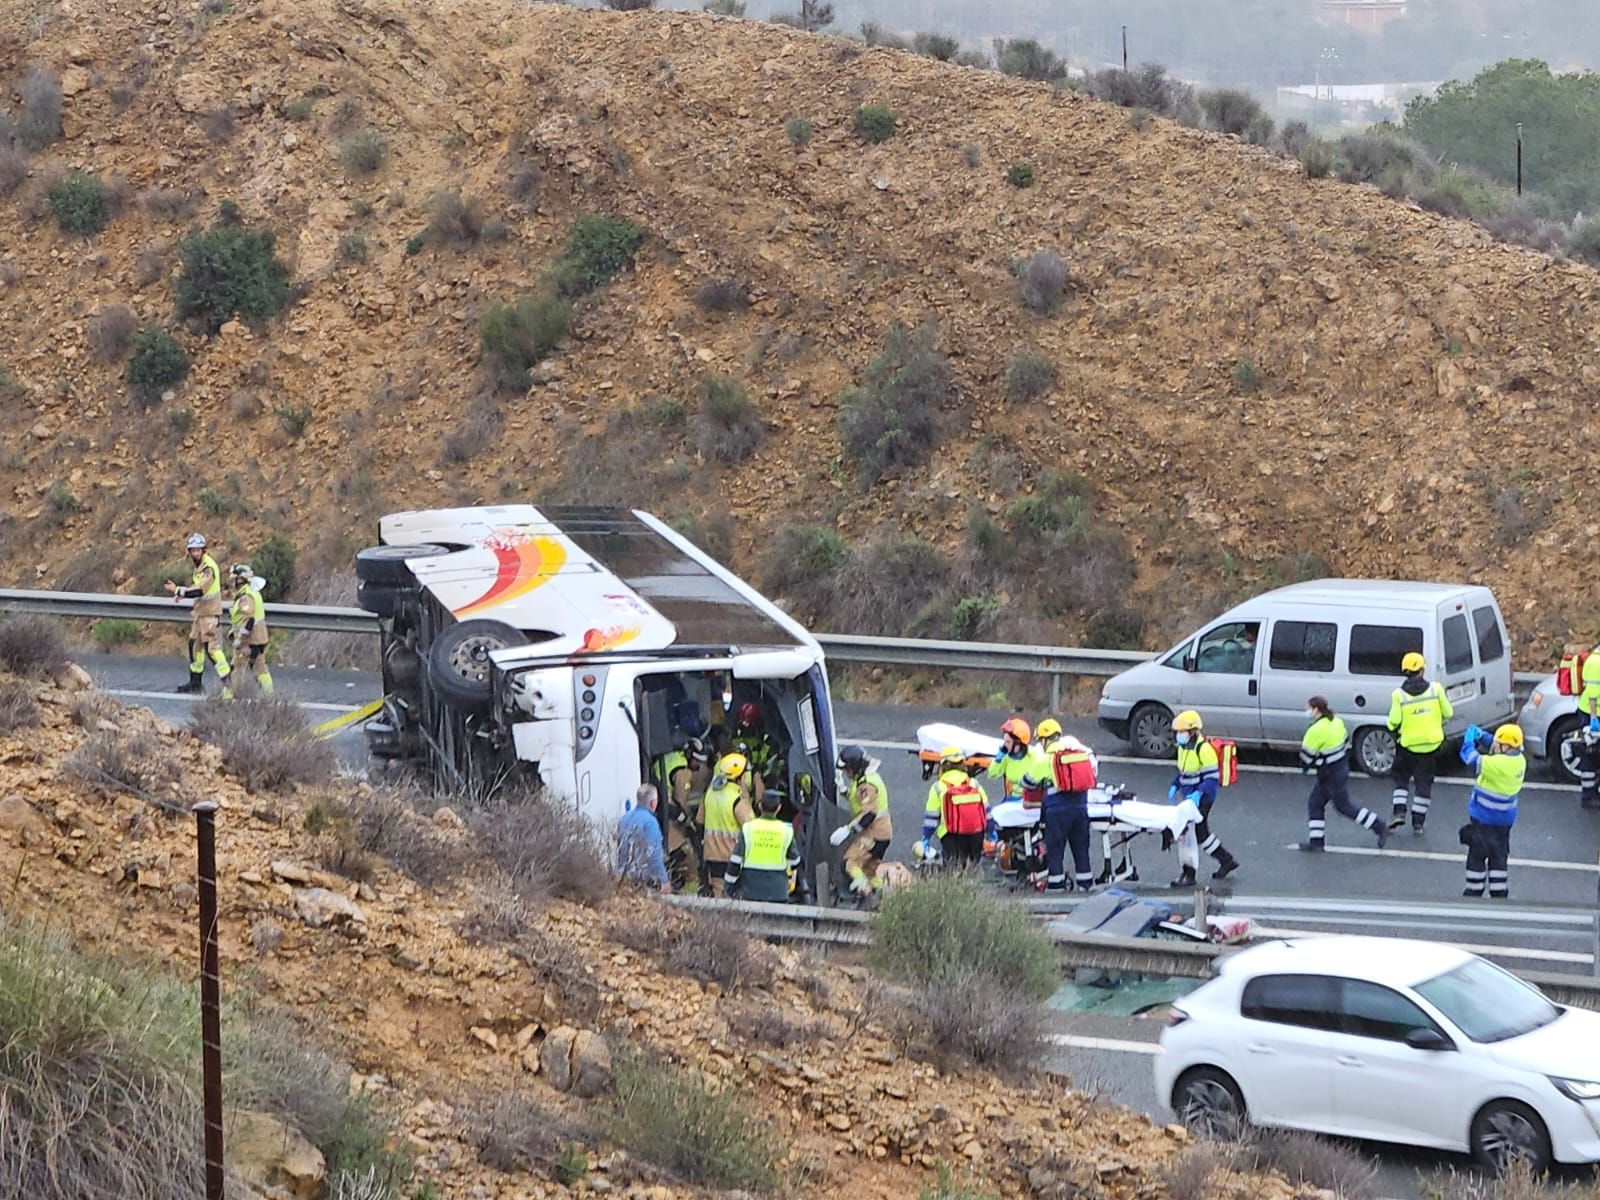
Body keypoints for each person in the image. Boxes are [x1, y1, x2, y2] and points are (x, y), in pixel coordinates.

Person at [1299, 696, 1387, 851]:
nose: (1307, 712)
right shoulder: (1336, 721)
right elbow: (1346, 740)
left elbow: (1306, 759)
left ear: (1316, 710)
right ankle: (1316, 842)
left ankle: (1379, 826)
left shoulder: (1315, 731)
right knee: (1315, 803)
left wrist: (1305, 769)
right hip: (1340, 768)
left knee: (1344, 807)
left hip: (1329, 774)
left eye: (1309, 708)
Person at [1168, 710, 1240, 886]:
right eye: (1177, 732)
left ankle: (1189, 874)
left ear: (1193, 732)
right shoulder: (1183, 749)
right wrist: (1175, 785)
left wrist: (1199, 794)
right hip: (1189, 797)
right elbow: (1183, 771)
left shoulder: (1204, 749)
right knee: (1200, 833)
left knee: (1188, 833)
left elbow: (1211, 778)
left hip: (1202, 798)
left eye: (1182, 732)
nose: (1179, 735)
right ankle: (1226, 860)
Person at [1386, 651, 1453, 833]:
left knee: (1401, 779)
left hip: (1408, 746)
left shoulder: (1398, 695)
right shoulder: (1436, 689)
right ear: (1422, 670)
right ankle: (1418, 824)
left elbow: (1393, 721)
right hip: (1432, 746)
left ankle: (1399, 813)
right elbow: (1449, 713)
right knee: (1424, 785)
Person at [1459, 723, 1525, 899]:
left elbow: (1471, 760)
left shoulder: (1497, 764)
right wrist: (1483, 736)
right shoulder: (1518, 760)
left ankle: (1473, 891)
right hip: (1504, 823)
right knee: (1499, 857)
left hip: (1484, 820)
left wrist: (1468, 742)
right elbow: (1496, 748)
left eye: (1499, 743)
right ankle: (1499, 893)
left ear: (1507, 746)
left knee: (1477, 856)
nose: (1495, 745)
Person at [1033, 717, 1097, 892]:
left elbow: (1029, 781)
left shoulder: (1048, 758)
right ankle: (1085, 885)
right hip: (1081, 809)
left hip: (1057, 811)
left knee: (1056, 850)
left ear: (1045, 739)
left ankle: (1056, 885)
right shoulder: (1081, 753)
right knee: (1081, 848)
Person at [165, 532, 232, 694]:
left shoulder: (208, 568)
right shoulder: (199, 567)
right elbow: (195, 589)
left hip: (209, 613)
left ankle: (230, 684)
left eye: (198, 550)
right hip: (201, 613)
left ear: (203, 550)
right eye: (192, 550)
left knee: (211, 648)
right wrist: (181, 594)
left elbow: (200, 590)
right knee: (194, 645)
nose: (195, 553)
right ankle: (195, 683)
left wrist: (179, 591)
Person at [829, 744, 892, 901]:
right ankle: (884, 897)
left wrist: (848, 829)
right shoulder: (865, 778)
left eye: (847, 770)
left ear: (855, 767)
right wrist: (844, 791)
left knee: (851, 863)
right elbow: (859, 800)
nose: (846, 773)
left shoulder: (867, 784)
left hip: (874, 834)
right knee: (870, 869)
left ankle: (867, 894)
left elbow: (868, 813)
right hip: (882, 833)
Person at [653, 734, 709, 892]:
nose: (699, 765)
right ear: (690, 756)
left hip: (658, 806)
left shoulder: (674, 758)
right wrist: (689, 823)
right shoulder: (683, 772)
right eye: (697, 761)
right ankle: (689, 892)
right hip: (667, 813)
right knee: (687, 855)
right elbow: (681, 802)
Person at [723, 789, 800, 903]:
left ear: (760, 806)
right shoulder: (786, 830)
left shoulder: (748, 828)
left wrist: (729, 887)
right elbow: (795, 862)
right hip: (777, 892)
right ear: (779, 808)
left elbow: (735, 861)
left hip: (749, 891)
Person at [922, 745, 989, 868]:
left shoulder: (938, 787)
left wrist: (926, 838)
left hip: (950, 835)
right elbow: (987, 812)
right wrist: (991, 833)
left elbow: (931, 818)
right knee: (972, 868)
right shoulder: (974, 784)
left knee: (953, 868)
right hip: (975, 834)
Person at [700, 752, 754, 898]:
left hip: (712, 855)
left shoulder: (710, 793)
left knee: (718, 894)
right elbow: (751, 828)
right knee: (734, 897)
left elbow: (700, 820)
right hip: (731, 855)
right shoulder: (737, 798)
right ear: (739, 776)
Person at [223, 564, 273, 699]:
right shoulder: (252, 593)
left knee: (236, 669)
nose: (231, 582)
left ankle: (228, 699)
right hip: (258, 639)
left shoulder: (245, 597)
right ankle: (268, 696)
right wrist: (234, 631)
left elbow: (249, 619)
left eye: (234, 579)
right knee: (259, 668)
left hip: (249, 641)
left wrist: (240, 638)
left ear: (239, 580)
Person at [617, 784, 671, 893]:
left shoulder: (624, 819)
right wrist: (664, 881)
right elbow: (654, 853)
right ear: (652, 803)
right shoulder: (650, 822)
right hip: (642, 879)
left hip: (623, 877)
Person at [1578, 651, 1600, 811]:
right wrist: (1593, 719)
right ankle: (1588, 796)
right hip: (1591, 714)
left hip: (1594, 714)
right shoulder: (1595, 663)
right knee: (1590, 753)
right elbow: (1593, 694)